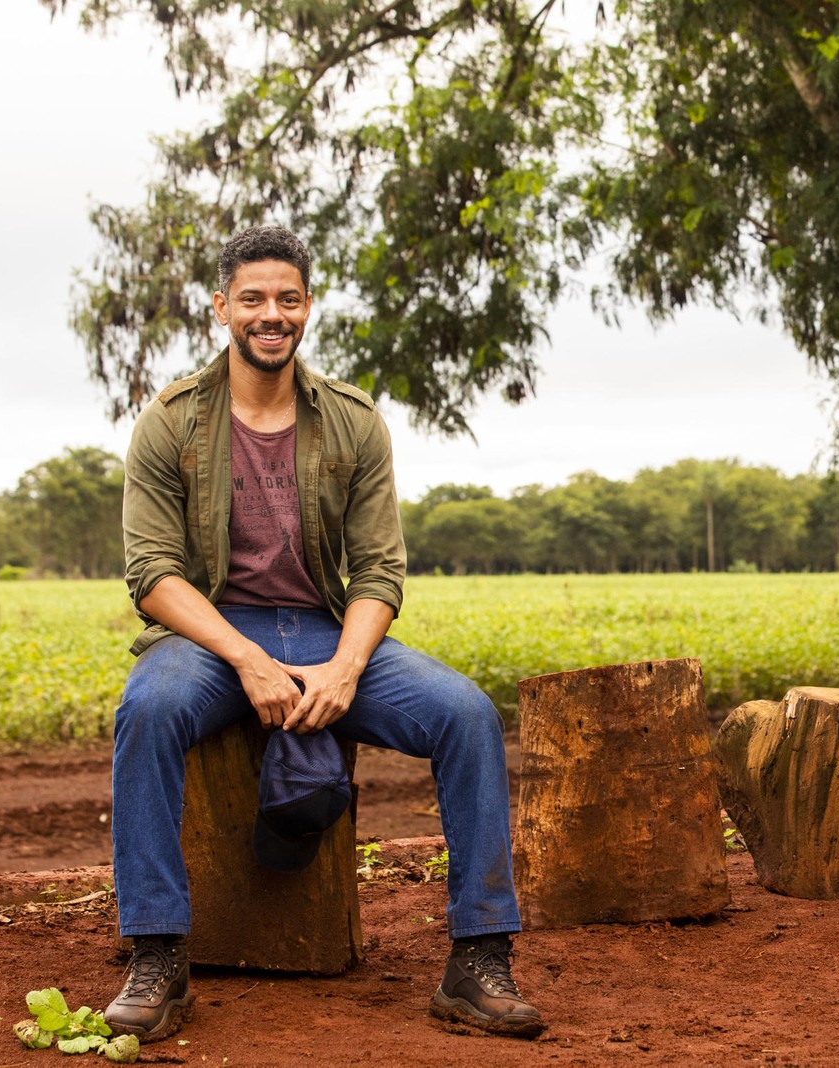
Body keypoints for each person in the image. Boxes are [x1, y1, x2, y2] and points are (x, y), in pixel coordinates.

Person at [103, 225, 544, 1042]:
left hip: (325, 628)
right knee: (150, 711)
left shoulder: (352, 420)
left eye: (288, 299)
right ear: (221, 308)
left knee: (468, 715)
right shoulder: (169, 422)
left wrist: (344, 667)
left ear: (308, 306)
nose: (271, 315)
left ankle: (479, 960)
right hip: (211, 634)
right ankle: (158, 955)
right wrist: (246, 660)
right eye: (253, 300)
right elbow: (152, 577)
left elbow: (380, 570)